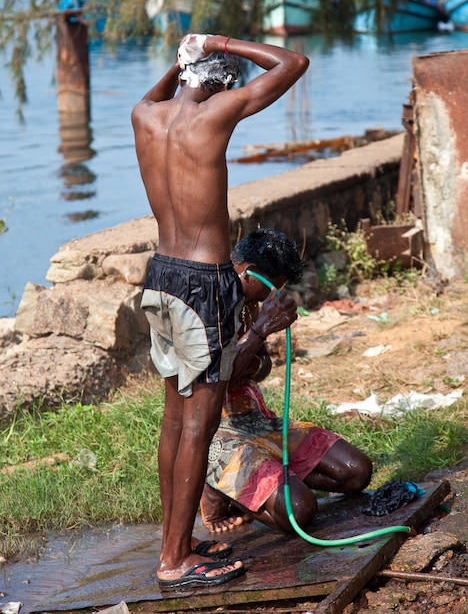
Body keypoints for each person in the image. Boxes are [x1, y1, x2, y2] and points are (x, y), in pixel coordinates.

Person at [131, 35, 309, 589]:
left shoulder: (145, 116)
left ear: (182, 74)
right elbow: (292, 63)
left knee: (173, 418)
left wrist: (184, 60)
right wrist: (218, 42)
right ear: (225, 81)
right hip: (204, 282)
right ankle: (174, 560)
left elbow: (159, 93)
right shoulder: (217, 113)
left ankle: (176, 543)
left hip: (159, 276)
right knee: (198, 425)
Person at [200, 228, 373, 534]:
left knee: (356, 472)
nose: (273, 296)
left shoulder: (251, 303)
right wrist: (260, 331)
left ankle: (270, 485)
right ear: (250, 274)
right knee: (300, 510)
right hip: (218, 430)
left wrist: (257, 349)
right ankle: (226, 491)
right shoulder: (207, 303)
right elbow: (218, 382)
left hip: (256, 420)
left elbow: (259, 369)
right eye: (271, 288)